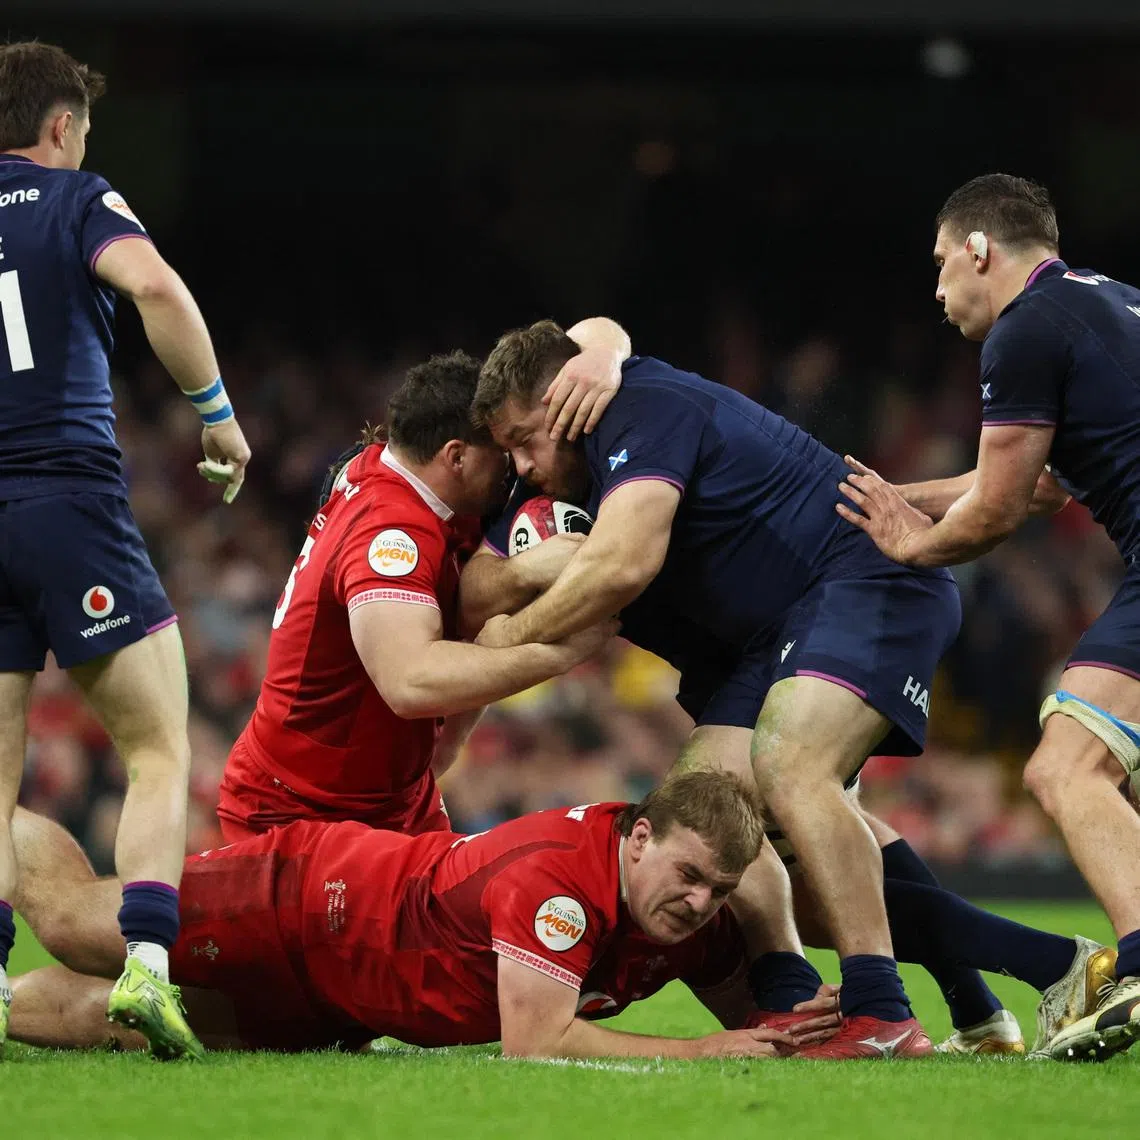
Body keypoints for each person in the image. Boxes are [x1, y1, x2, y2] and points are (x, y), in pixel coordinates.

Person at [461, 321, 968, 1059]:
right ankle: (802, 1002)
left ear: (564, 399)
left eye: (524, 440)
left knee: (792, 768)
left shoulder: (637, 409)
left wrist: (515, 633)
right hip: (778, 630)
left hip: (864, 574)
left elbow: (621, 567)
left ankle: (882, 1014)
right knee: (705, 810)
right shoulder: (573, 461)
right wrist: (518, 577)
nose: (522, 466)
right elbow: (478, 582)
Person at [835, 172, 1140, 1062]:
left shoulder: (1023, 330)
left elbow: (1001, 508)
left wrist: (910, 544)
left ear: (979, 250)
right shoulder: (1106, 302)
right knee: (1074, 762)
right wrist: (887, 497)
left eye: (941, 264)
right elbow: (1033, 483)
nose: (937, 290)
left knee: (1064, 769)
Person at [0, 41, 252, 1059]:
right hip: (65, 498)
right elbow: (155, 288)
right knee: (157, 747)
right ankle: (148, 962)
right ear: (62, 127)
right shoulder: (76, 200)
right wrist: (218, 417)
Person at [8, 770, 795, 1061]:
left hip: (342, 1004)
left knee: (124, 1025)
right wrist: (707, 1050)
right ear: (641, 838)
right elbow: (536, 1043)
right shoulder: (559, 881)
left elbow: (755, 1022)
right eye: (690, 877)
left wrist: (798, 1030)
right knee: (80, 923)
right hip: (306, 902)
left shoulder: (681, 914)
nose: (700, 904)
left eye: (720, 891)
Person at [217, 333, 625, 842]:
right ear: (456, 458)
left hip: (391, 798)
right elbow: (410, 682)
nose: (516, 467)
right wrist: (558, 655)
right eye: (501, 452)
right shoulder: (390, 530)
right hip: (303, 812)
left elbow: (582, 335)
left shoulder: (408, 477)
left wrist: (608, 357)